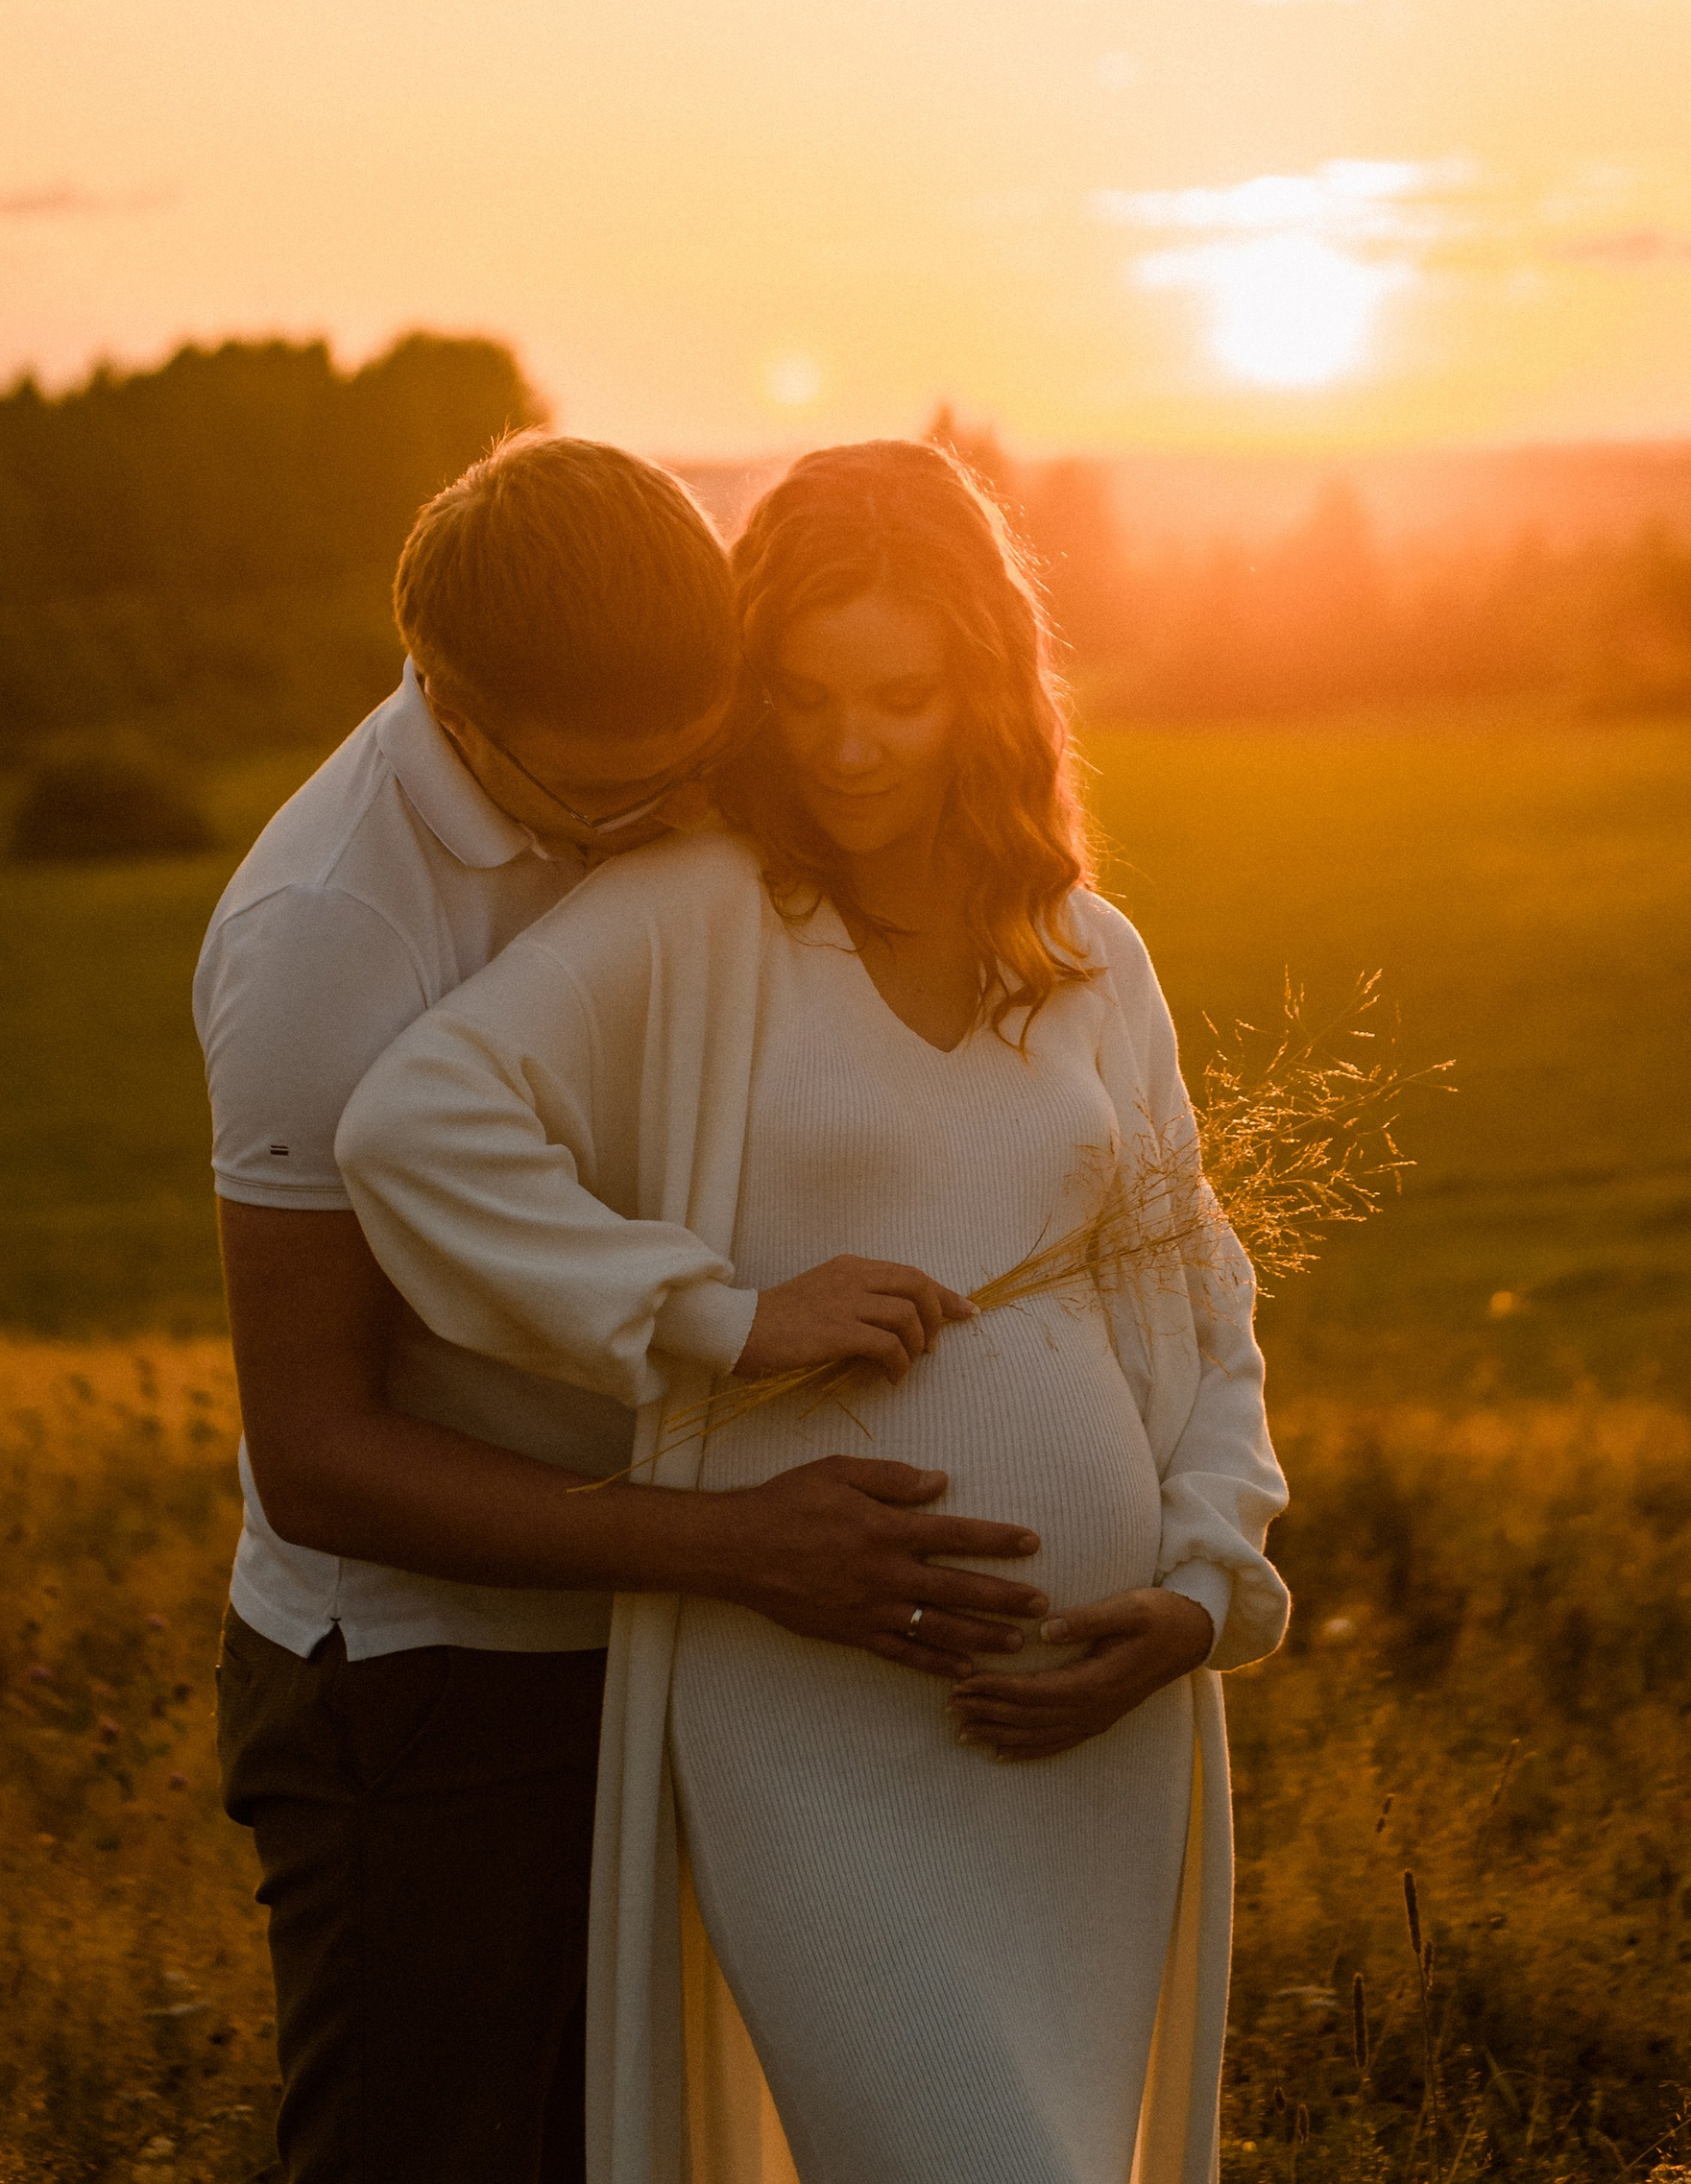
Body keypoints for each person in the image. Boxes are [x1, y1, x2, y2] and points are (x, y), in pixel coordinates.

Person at [336, 439, 1290, 2184]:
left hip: (1091, 1721)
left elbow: (1199, 1298)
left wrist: (1202, 1592)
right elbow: (414, 1130)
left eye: (906, 697)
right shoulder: (696, 918)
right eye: (809, 694)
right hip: (815, 1710)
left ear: (988, 691)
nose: (853, 748)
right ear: (753, 691)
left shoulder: (1087, 953)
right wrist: (714, 1314)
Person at [194, 434, 1053, 2184]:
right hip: (423, 1689)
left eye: (688, 775)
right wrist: (733, 1540)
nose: (658, 826)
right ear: (449, 696)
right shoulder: (324, 932)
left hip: (675, 1642)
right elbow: (318, 1459)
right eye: (601, 805)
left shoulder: (679, 750)